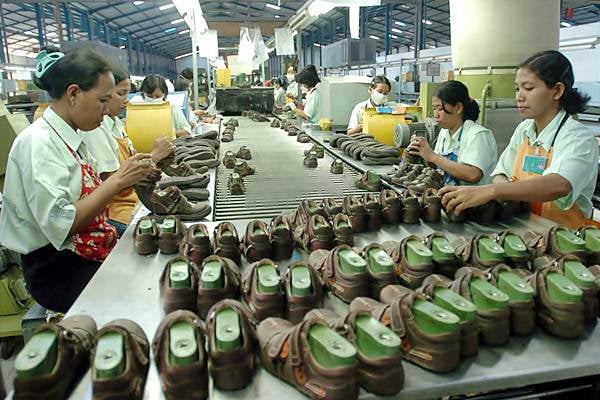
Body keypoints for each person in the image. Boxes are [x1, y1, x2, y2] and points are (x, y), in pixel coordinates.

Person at [0, 47, 155, 312]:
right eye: (103, 100)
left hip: (85, 245)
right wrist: (118, 180)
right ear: (73, 94)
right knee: (144, 293)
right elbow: (64, 223)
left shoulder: (71, 137)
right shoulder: (39, 143)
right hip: (56, 269)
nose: (107, 110)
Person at [440, 50, 598, 228]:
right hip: (524, 229)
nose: (519, 96)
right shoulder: (524, 130)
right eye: (517, 88)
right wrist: (503, 191)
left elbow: (559, 184)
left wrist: (491, 191)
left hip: (565, 240)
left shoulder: (577, 137)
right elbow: (500, 173)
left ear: (557, 90)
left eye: (529, 88)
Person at [81, 64, 174, 236]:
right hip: (117, 212)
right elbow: (112, 181)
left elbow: (132, 159)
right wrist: (155, 156)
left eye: (127, 93)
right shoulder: (95, 130)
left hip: (134, 200)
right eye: (120, 93)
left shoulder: (115, 123)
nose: (126, 100)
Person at [407, 80, 498, 186]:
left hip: (475, 200)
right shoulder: (444, 132)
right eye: (434, 109)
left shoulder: (478, 135)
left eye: (440, 109)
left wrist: (432, 156)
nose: (435, 115)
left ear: (458, 108)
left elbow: (473, 174)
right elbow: (439, 167)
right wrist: (422, 151)